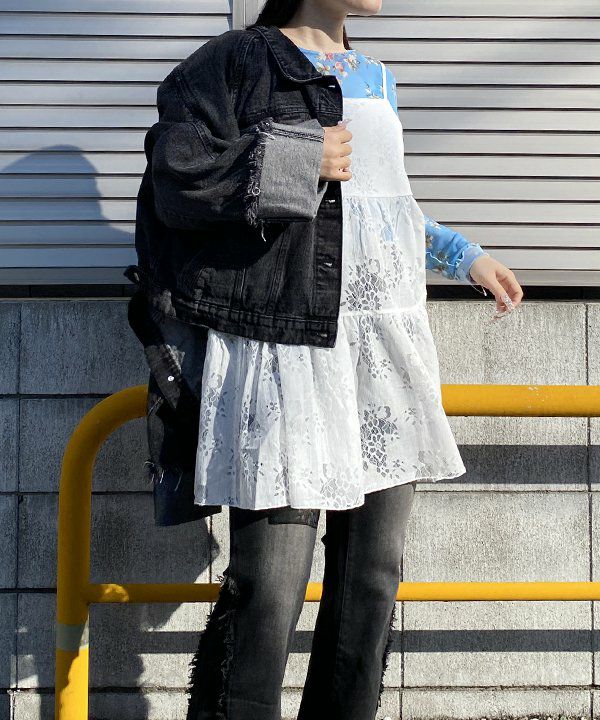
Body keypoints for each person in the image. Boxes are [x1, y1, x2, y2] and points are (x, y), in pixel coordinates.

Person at [126, 1, 524, 719]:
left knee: (372, 577)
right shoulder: (236, 59)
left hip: (383, 346)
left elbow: (386, 203)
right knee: (269, 586)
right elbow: (175, 177)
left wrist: (465, 255)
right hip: (286, 344)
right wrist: (293, 161)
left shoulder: (376, 74)